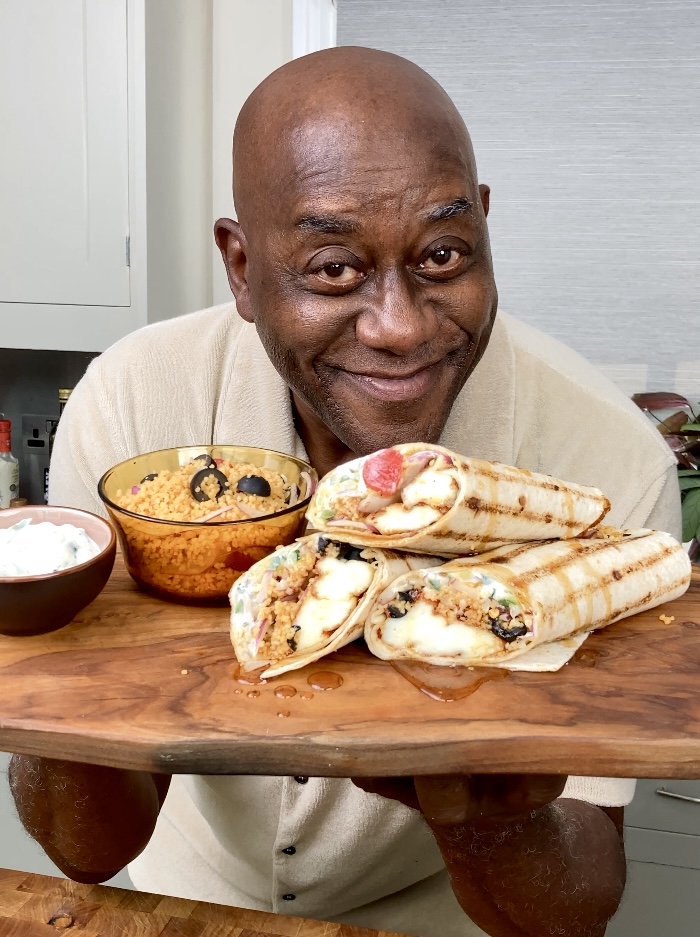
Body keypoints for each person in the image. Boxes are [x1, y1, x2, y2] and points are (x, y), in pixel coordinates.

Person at [10, 47, 679, 937]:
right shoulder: (134, 405)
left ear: (484, 227)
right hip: (179, 900)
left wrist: (484, 810)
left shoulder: (609, 461)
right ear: (243, 269)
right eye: (333, 269)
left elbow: (571, 909)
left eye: (443, 254)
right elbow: (85, 851)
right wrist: (58, 664)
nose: (400, 326)